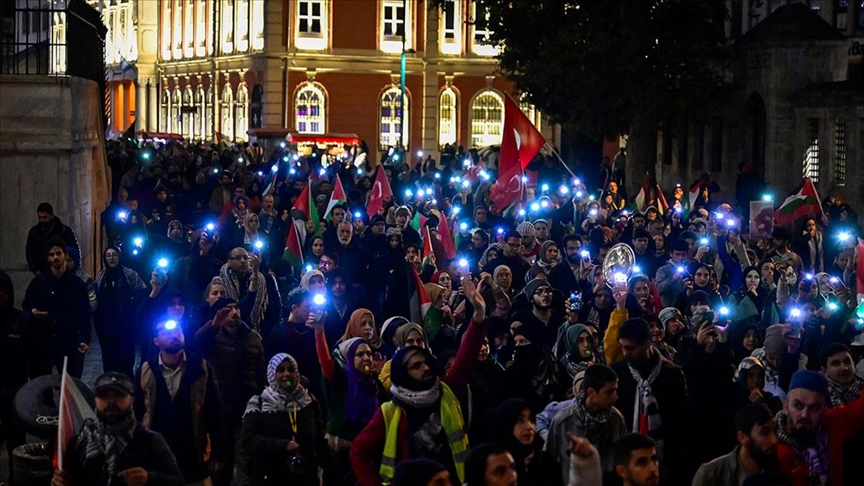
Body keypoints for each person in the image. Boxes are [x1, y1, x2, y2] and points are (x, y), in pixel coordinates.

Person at [349, 277, 488, 486]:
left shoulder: (445, 390)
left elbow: (465, 359)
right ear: (404, 373)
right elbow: (359, 451)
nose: (425, 368)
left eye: (425, 363)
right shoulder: (390, 411)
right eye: (416, 366)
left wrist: (478, 314)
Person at [134, 317, 226, 485]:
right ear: (156, 341)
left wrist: (218, 452)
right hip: (158, 457)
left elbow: (214, 411)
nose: (174, 335)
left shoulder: (201, 368)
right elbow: (138, 412)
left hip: (193, 454)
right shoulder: (146, 371)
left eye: (177, 330)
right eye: (167, 332)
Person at [51, 372, 185, 486]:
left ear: (131, 399)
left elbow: (177, 481)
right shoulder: (80, 441)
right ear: (95, 400)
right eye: (104, 396)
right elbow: (69, 477)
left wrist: (149, 478)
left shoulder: (149, 440)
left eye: (118, 395)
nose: (111, 401)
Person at [193, 296, 266, 485]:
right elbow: (196, 348)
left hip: (247, 407)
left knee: (246, 461)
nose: (234, 312)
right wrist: (213, 326)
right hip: (222, 408)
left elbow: (260, 372)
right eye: (228, 309)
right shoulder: (213, 337)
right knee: (221, 462)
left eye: (236, 308)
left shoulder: (253, 337)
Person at [610, 318, 689, 479]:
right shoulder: (618, 374)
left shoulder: (672, 375)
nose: (625, 353)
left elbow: (681, 422)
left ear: (646, 345)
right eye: (623, 347)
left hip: (666, 462)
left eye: (630, 348)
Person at [238, 353, 330, 486]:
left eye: (291, 370)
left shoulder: (309, 401)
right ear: (272, 375)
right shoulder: (259, 403)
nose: (286, 374)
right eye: (280, 370)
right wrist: (283, 445)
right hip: (271, 476)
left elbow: (320, 441)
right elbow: (248, 441)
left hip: (305, 477)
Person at [775, 370, 864, 485]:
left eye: (814, 408)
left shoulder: (832, 424)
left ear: (823, 411)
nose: (805, 414)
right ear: (786, 407)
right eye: (798, 406)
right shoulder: (771, 445)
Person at [22, 239, 91, 378]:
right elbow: (27, 304)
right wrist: (33, 311)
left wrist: (84, 339)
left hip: (68, 342)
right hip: (44, 340)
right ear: (48, 258)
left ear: (65, 255)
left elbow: (84, 314)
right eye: (52, 254)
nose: (55, 257)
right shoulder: (39, 283)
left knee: (69, 384)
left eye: (58, 253)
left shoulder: (77, 284)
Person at [546, 364, 626, 479]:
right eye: (609, 392)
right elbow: (548, 463)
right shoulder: (563, 421)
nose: (615, 397)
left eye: (615, 391)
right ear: (591, 392)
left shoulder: (616, 419)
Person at [0, 271, 37, 474]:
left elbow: (34, 356)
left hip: (16, 390)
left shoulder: (21, 321)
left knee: (16, 442)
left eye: (3, 291)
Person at [692, 403, 779, 486]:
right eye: (765, 433)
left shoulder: (779, 468)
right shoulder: (711, 474)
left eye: (775, 431)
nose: (774, 440)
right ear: (742, 437)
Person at [95, 246, 147, 376]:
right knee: (109, 360)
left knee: (126, 360)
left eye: (114, 255)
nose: (111, 258)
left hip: (126, 326)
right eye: (108, 255)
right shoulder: (101, 277)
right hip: (107, 328)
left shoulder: (130, 274)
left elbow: (142, 292)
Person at [220, 247, 276, 334]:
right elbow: (241, 308)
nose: (242, 261)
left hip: (260, 333)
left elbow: (272, 307)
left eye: (246, 258)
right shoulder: (221, 281)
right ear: (229, 262)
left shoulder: (262, 279)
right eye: (238, 258)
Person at [25, 202, 80, 274]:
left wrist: (70, 266)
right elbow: (29, 252)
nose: (42, 220)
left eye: (45, 217)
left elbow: (73, 250)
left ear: (52, 215)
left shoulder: (64, 231)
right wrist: (35, 269)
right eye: (39, 217)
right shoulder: (34, 233)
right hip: (43, 273)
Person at [819, 343, 863, 407]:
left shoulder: (861, 386)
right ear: (824, 371)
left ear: (854, 364)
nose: (844, 368)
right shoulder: (821, 398)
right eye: (836, 364)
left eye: (847, 362)